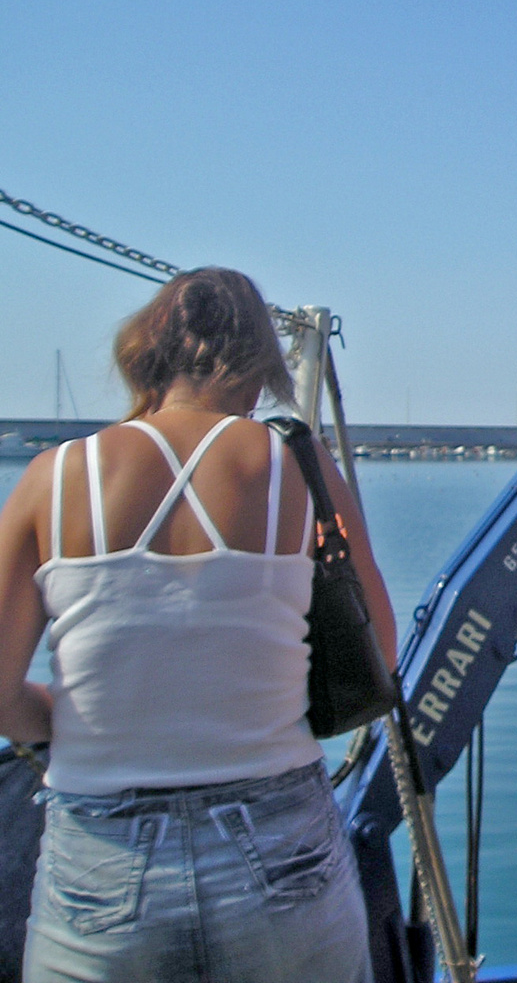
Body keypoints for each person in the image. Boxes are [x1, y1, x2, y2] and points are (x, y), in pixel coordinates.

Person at [0, 268, 395, 983]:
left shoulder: (52, 477)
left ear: (143, 356)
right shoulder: (297, 469)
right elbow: (378, 654)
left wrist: (65, 718)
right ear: (260, 368)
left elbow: (0, 693)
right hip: (280, 845)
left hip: (104, 857)